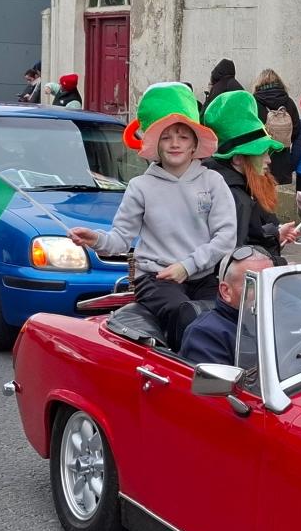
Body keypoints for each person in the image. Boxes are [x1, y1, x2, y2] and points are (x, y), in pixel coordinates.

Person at [69, 83, 236, 351]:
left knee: (226, 314)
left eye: (183, 137)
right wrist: (97, 240)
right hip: (156, 278)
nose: (175, 144)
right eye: (166, 137)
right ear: (156, 144)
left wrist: (187, 267)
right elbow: (121, 239)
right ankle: (184, 369)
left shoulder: (213, 181)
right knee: (186, 313)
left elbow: (226, 237)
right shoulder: (141, 186)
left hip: (203, 275)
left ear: (194, 144)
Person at [201, 89, 297, 261]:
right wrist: (277, 263)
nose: (268, 160)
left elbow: (250, 234)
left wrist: (274, 233)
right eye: (262, 153)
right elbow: (238, 256)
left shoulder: (237, 184)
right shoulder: (234, 196)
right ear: (238, 159)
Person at [179, 248, 274, 366]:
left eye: (271, 282)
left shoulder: (280, 317)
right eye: (253, 284)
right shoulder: (205, 334)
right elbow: (217, 378)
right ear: (226, 291)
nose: (266, 291)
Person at [251, 69, 301, 193]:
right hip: (282, 155)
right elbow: (296, 129)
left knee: (259, 190)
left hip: (261, 154)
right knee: (272, 191)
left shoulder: (254, 102)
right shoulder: (288, 102)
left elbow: (251, 130)